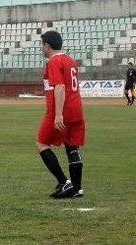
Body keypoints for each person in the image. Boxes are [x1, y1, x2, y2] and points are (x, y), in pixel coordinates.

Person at [36, 31, 85, 199]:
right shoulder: (70, 60)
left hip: (60, 110)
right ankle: (77, 188)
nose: (41, 47)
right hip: (76, 108)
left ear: (47, 45)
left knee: (42, 143)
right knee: (72, 146)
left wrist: (58, 114)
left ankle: (64, 182)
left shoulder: (53, 62)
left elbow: (60, 87)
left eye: (42, 44)